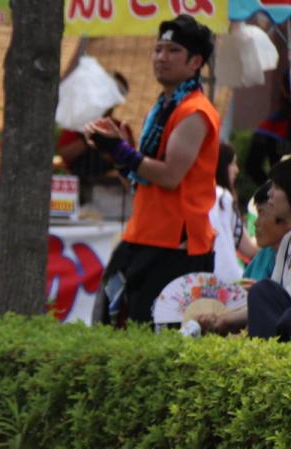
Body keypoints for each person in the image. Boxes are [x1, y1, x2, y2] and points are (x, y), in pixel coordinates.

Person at [86, 14, 220, 325]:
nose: (161, 57)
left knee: (153, 336)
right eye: (158, 49)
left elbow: (170, 176)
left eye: (173, 50)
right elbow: (140, 180)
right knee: (112, 324)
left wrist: (121, 151)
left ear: (195, 61)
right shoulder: (162, 107)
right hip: (144, 236)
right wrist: (114, 152)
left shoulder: (195, 111)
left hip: (177, 247)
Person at [197, 165, 291, 338]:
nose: (270, 193)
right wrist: (224, 320)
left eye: (277, 187)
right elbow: (271, 302)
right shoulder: (286, 244)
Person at [56, 71, 133, 214]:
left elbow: (130, 162)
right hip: (79, 194)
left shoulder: (121, 128)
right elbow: (65, 154)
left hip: (111, 194)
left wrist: (113, 147)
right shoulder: (76, 122)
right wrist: (89, 137)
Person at [208, 142, 255, 283]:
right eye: (232, 163)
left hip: (198, 279)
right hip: (229, 281)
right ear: (221, 165)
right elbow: (250, 249)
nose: (236, 170)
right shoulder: (223, 198)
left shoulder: (198, 196)